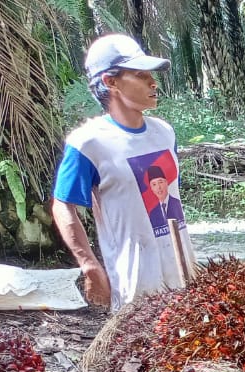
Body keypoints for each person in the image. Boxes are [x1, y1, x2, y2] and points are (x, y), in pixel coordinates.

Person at [52, 34, 195, 311]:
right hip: (135, 282)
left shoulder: (163, 132)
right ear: (111, 82)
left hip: (182, 269)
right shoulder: (88, 143)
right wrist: (90, 266)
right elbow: (63, 206)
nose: (153, 83)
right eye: (140, 75)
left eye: (150, 75)